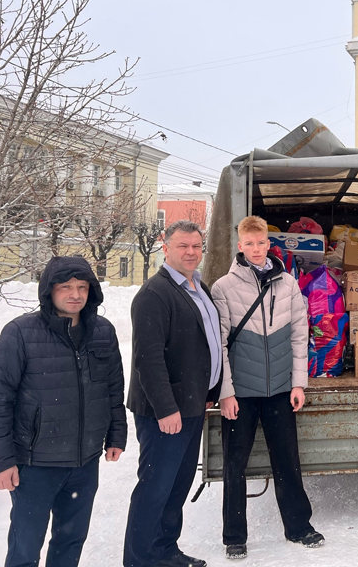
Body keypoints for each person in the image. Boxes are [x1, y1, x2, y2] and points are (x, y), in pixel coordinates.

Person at [0, 256, 127, 567]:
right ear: (49, 290)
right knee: (25, 548)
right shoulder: (20, 333)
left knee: (71, 541)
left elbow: (112, 388)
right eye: (66, 287)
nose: (75, 294)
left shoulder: (102, 331)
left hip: (84, 462)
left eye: (82, 287)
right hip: (35, 464)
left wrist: (116, 434)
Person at [211, 216, 323, 560]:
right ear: (240, 245)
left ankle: (299, 527)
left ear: (268, 244)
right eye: (250, 243)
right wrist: (226, 392)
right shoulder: (223, 288)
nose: (256, 249)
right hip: (241, 393)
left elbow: (300, 335)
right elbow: (220, 345)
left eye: (261, 243)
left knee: (287, 460)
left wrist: (298, 383)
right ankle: (234, 536)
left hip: (279, 390)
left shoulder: (288, 283)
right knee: (234, 465)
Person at [124, 220, 222, 567]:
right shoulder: (155, 294)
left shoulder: (198, 287)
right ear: (166, 248)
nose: (191, 252)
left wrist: (211, 390)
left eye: (196, 246)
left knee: (177, 485)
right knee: (155, 487)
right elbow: (148, 359)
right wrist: (166, 408)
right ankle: (140, 560)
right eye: (183, 246)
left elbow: (206, 344)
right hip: (165, 412)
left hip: (192, 404)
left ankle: (165, 551)